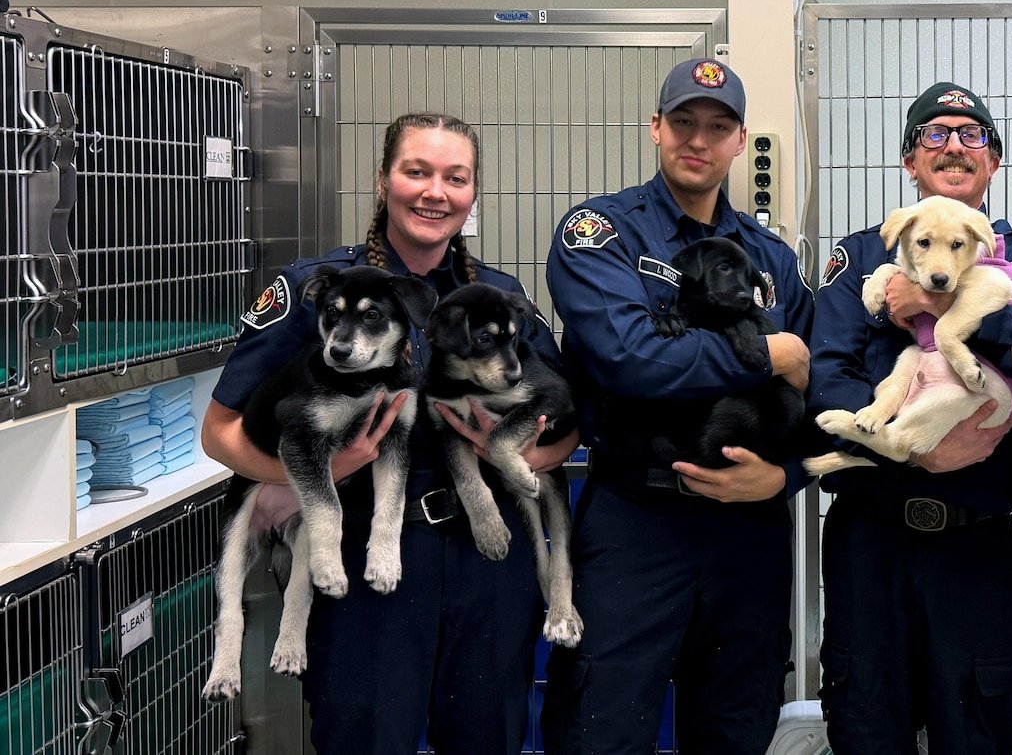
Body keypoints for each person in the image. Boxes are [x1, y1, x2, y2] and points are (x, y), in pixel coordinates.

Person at [200, 112, 578, 754]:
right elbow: (220, 433)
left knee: (489, 736)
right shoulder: (320, 289)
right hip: (365, 554)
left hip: (487, 560)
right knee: (366, 738)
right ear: (383, 182)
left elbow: (564, 426)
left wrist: (510, 452)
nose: (436, 192)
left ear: (473, 191)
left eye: (455, 177)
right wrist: (332, 470)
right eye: (416, 172)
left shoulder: (499, 298)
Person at [540, 57, 814, 754]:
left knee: (737, 724)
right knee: (600, 725)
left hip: (748, 531)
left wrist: (789, 477)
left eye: (717, 127)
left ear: (739, 140)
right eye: (683, 123)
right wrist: (767, 356)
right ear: (655, 128)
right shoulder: (602, 234)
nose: (698, 140)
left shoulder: (771, 260)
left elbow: (829, 385)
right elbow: (628, 359)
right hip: (638, 521)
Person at [807, 82, 1012, 754]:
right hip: (868, 542)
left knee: (976, 731)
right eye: (934, 134)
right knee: (866, 725)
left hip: (975, 545)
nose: (955, 147)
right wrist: (911, 448)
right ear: (910, 163)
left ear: (994, 162)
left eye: (973, 136)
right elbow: (827, 382)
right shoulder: (863, 259)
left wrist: (950, 309)